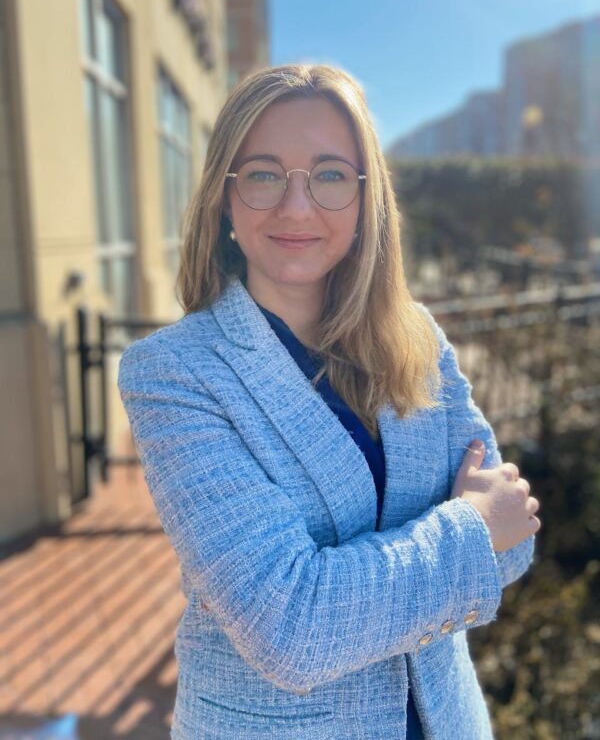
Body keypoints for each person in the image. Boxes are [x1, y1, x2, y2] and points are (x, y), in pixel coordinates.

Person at [118, 63, 541, 740]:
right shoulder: (175, 373)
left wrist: (477, 534)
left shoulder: (417, 340)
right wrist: (468, 528)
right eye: (262, 174)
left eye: (330, 174)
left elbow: (515, 539)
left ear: (365, 198)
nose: (296, 205)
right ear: (225, 199)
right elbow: (290, 629)